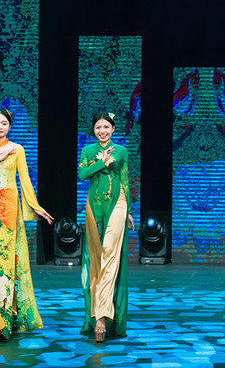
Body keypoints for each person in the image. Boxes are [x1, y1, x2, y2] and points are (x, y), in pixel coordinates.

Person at [0, 109, 53, 341]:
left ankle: (7, 320)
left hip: (8, 214)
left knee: (8, 266)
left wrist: (35, 206)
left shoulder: (17, 149)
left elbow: (24, 180)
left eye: (4, 123)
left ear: (10, 126)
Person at [78, 112, 135, 342]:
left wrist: (128, 210)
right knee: (96, 258)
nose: (102, 131)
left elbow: (125, 181)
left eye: (106, 127)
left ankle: (102, 317)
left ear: (113, 129)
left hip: (118, 203)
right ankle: (95, 313)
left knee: (110, 255)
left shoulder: (121, 151)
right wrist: (102, 162)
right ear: (94, 130)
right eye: (98, 127)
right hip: (94, 205)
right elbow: (82, 174)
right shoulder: (87, 151)